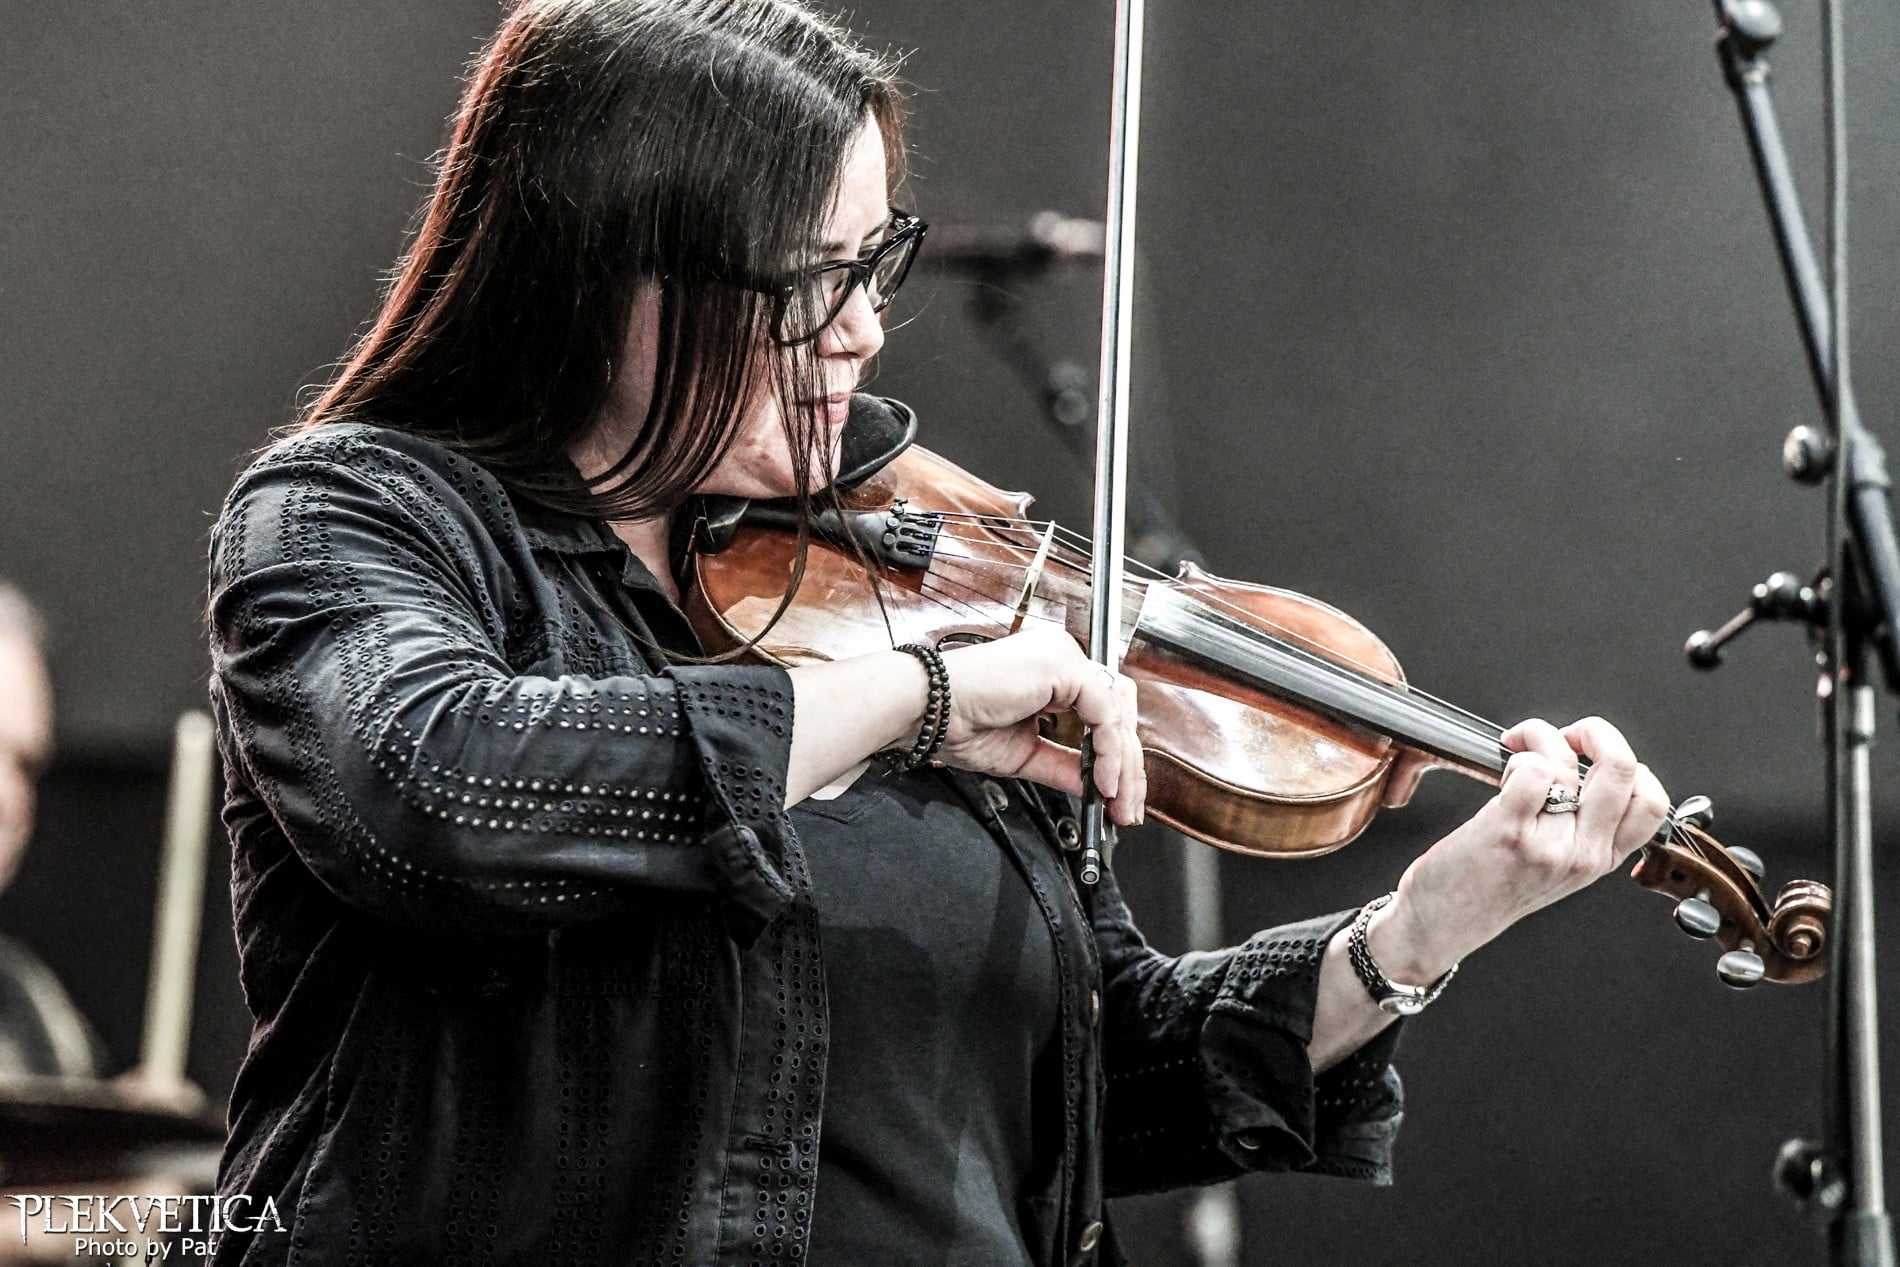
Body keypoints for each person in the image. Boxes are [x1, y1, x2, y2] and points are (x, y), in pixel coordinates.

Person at [202, 2, 1672, 1264]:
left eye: (875, 262)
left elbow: (1098, 1078)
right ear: (614, 271)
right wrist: (908, 700)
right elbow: (433, 785)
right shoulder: (359, 515)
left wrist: (1421, 929)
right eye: (812, 278)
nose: (862, 328)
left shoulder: (895, 569)